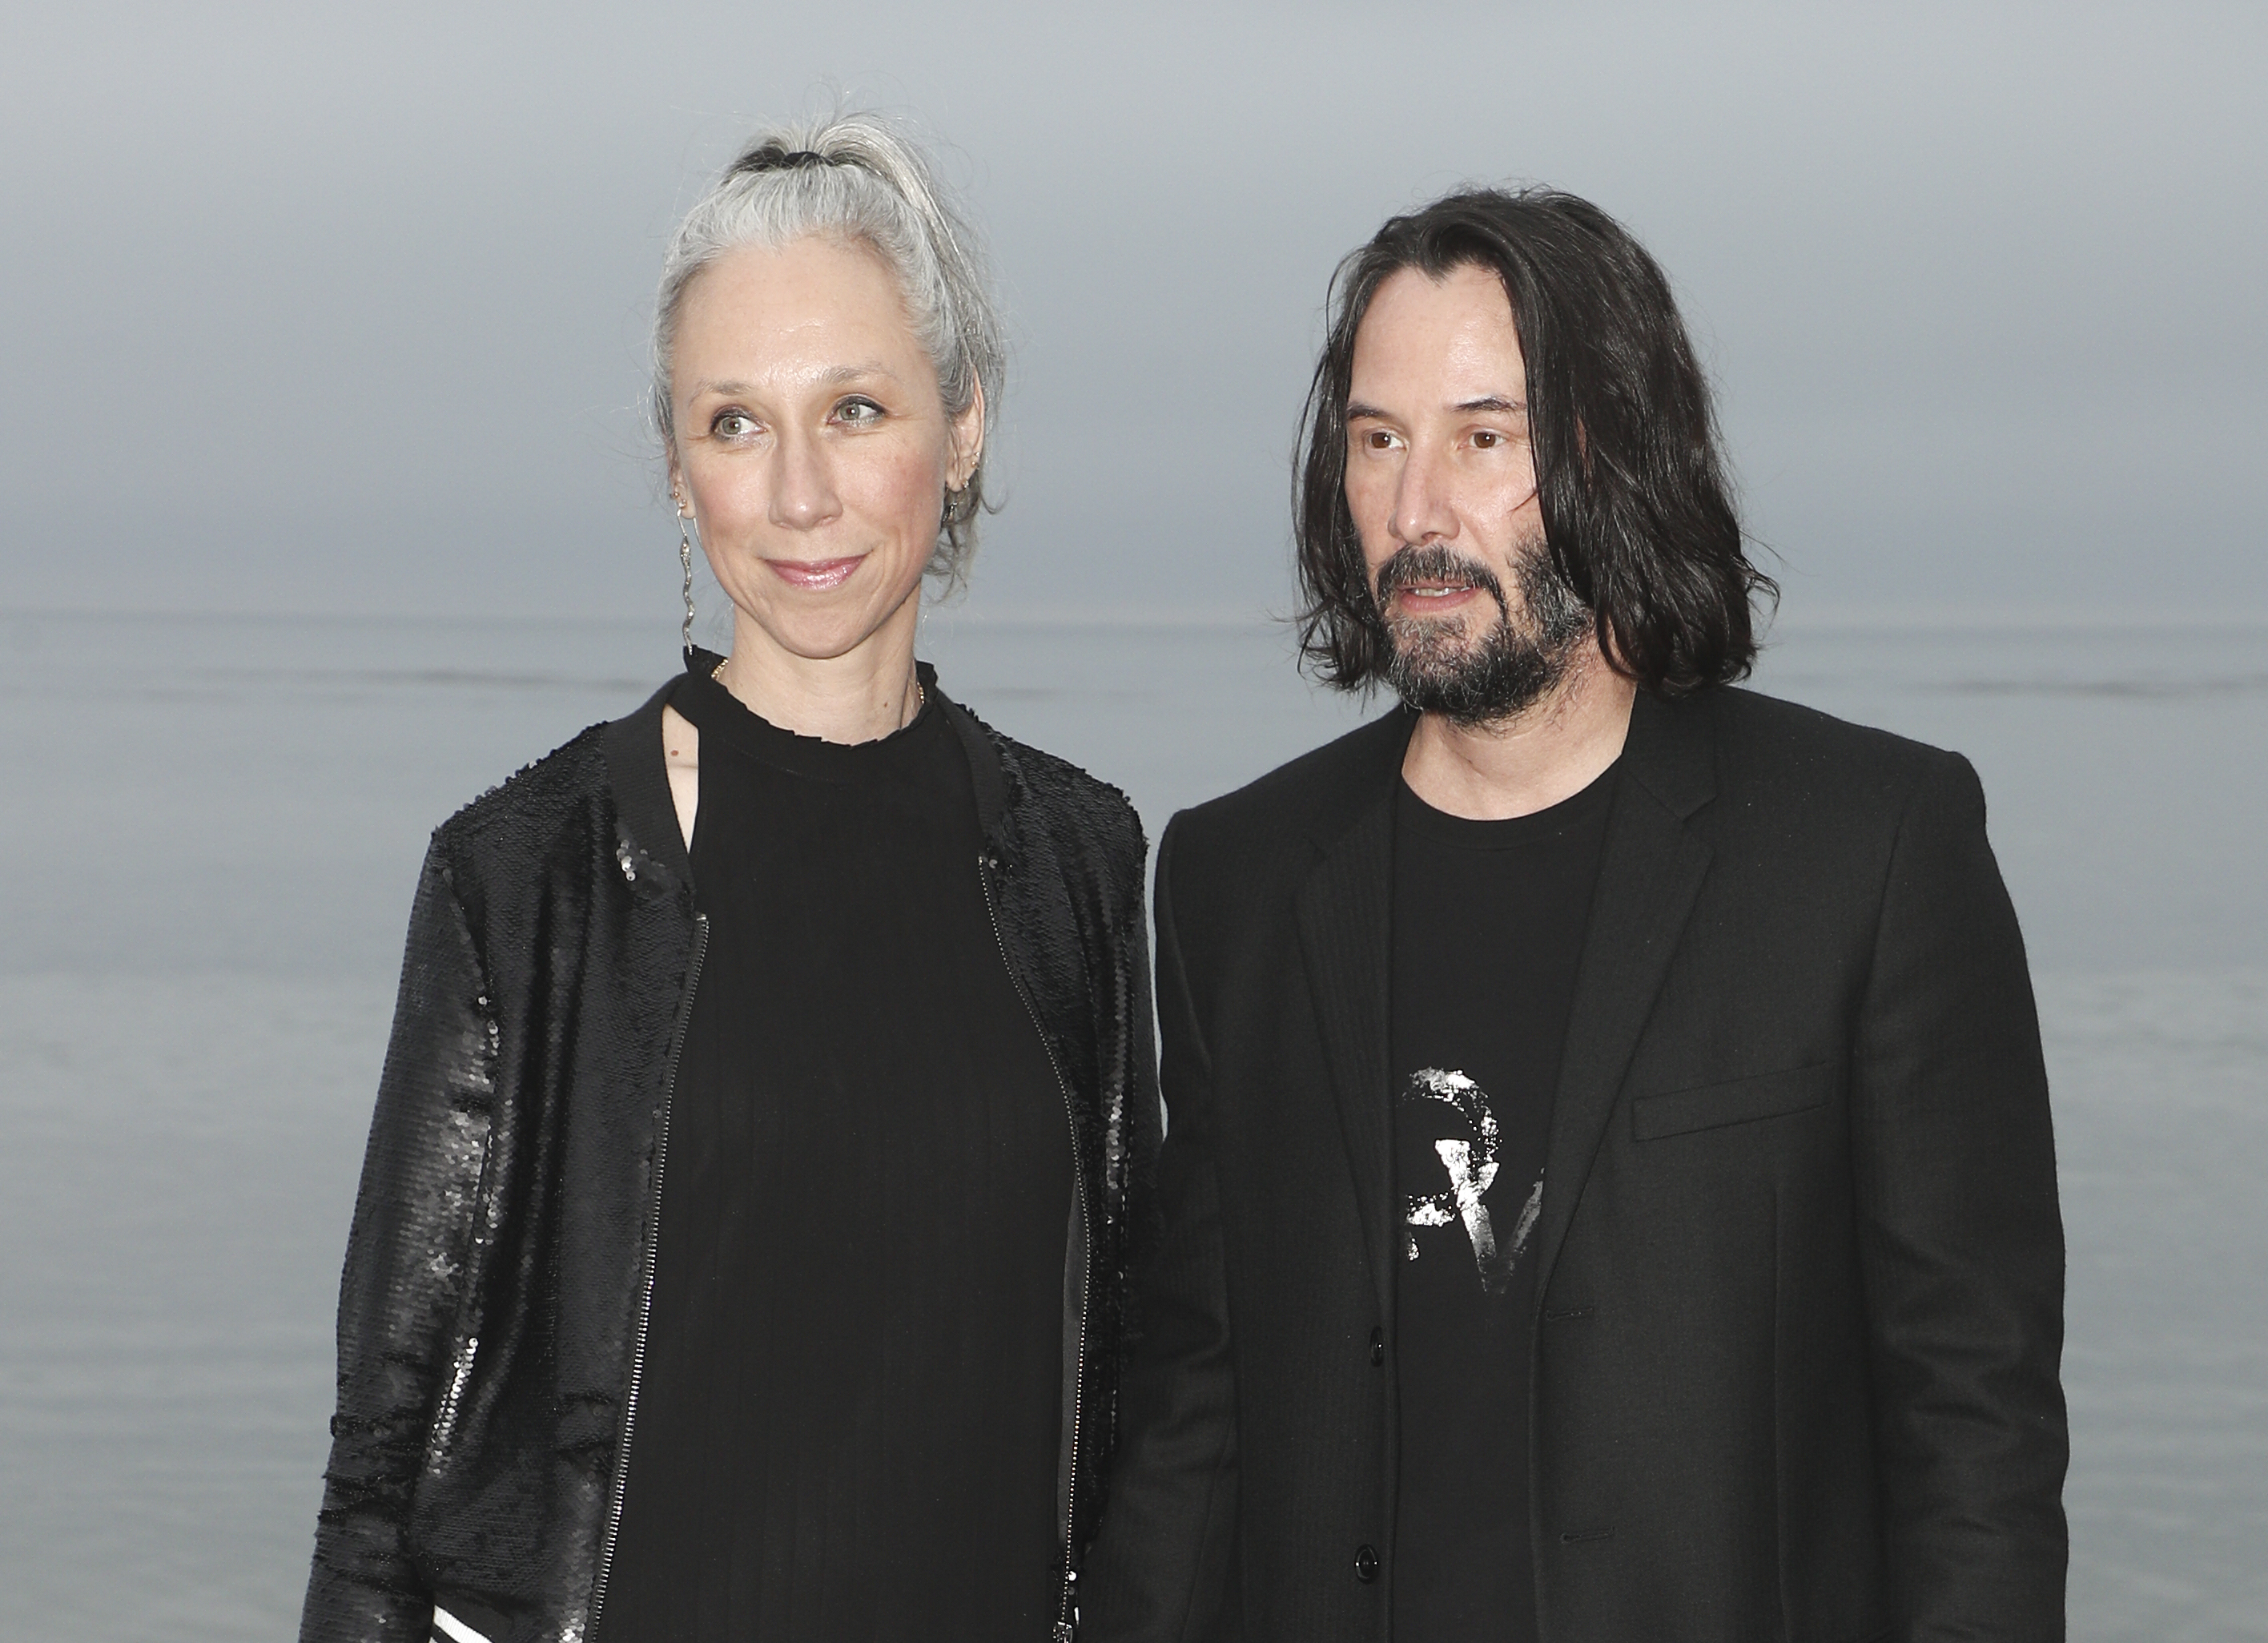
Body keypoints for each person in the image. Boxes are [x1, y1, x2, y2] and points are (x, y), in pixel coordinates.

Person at [1080, 187, 2066, 1642]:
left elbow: (1974, 1431)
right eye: (1377, 441)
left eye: (1485, 438)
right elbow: (1195, 1413)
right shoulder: (1238, 879)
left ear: (1614, 453)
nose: (1418, 510)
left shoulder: (1871, 852)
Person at [300, 115, 1156, 1643]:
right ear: (678, 468)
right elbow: (383, 1463)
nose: (799, 494)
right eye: (737, 424)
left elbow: (1138, 1396)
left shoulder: (1078, 861)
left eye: (858, 408)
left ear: (961, 429)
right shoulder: (528, 877)